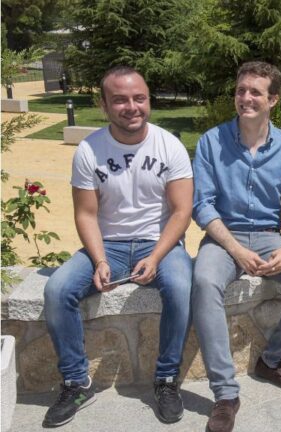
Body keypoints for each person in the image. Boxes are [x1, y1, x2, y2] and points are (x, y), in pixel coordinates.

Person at [42, 66, 193, 427]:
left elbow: (182, 210)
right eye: (120, 100)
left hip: (159, 243)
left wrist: (156, 256)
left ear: (148, 100)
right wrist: (98, 259)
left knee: (181, 286)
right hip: (107, 243)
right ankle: (77, 381)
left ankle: (167, 379)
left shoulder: (168, 144)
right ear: (104, 104)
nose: (131, 107)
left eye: (139, 98)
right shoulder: (89, 150)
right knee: (57, 289)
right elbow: (86, 214)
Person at [191, 61, 281, 432]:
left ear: (273, 100)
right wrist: (235, 249)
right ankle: (225, 394)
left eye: (256, 92)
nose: (246, 98)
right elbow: (202, 205)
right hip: (223, 237)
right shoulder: (211, 141)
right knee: (204, 283)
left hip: (271, 237)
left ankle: (271, 360)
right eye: (241, 90)